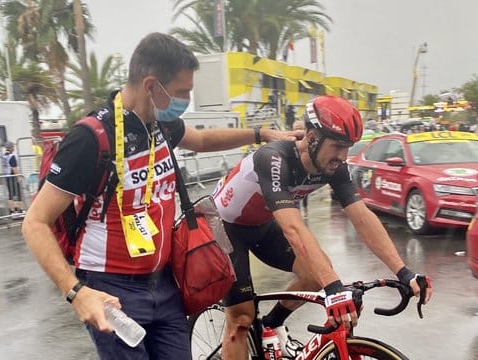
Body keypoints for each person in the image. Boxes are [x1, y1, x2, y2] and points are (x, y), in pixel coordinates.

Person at [21, 32, 301, 360]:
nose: (185, 101)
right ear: (151, 86)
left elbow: (202, 139)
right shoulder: (91, 138)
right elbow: (35, 223)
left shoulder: (160, 126)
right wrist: (76, 293)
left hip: (165, 282)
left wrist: (261, 134)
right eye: (182, 93)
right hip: (112, 290)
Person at [212, 96, 433, 359]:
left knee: (318, 272)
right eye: (338, 146)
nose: (343, 156)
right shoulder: (273, 159)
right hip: (225, 228)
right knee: (241, 318)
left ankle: (271, 323)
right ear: (313, 137)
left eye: (347, 147)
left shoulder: (333, 166)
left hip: (261, 223)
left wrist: (404, 272)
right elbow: (293, 227)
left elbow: (362, 216)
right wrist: (334, 289)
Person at [292, 119, 308, 216]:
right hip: (293, 172)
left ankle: (305, 208)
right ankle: (296, 213)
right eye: (296, 129)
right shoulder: (289, 141)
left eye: (300, 128)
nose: (298, 131)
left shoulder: (308, 141)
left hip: (305, 172)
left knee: (304, 193)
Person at [1, 140, 23, 214]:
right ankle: (20, 210)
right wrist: (18, 177)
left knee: (10, 194)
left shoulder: (4, 156)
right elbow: (14, 168)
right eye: (13, 146)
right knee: (19, 193)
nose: (14, 148)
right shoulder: (12, 156)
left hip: (7, 177)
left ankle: (12, 211)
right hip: (13, 177)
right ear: (10, 148)